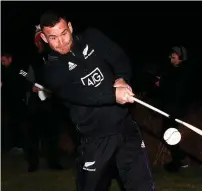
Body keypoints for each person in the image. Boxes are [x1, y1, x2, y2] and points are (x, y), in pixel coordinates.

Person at [39, 11, 154, 191]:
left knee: (142, 186)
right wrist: (113, 94)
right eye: (53, 38)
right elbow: (82, 93)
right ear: (45, 39)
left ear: (69, 27)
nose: (61, 42)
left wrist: (122, 78)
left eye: (64, 34)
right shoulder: (52, 71)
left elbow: (119, 58)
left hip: (126, 128)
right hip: (95, 139)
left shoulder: (92, 37)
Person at [22, 25, 64, 172]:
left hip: (51, 102)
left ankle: (54, 162)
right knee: (32, 134)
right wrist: (31, 87)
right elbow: (23, 76)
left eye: (42, 38)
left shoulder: (55, 57)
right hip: (34, 103)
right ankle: (33, 164)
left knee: (52, 134)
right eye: (38, 39)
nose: (40, 42)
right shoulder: (31, 59)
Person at [155, 45, 193, 172]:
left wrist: (163, 83)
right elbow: (168, 87)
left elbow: (177, 90)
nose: (171, 56)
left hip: (174, 109)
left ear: (181, 57)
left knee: (169, 135)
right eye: (172, 54)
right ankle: (179, 160)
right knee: (168, 135)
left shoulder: (183, 71)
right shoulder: (173, 70)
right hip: (170, 108)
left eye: (174, 54)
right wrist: (161, 82)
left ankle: (180, 159)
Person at [1, 52, 27, 153]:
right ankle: (15, 145)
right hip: (9, 102)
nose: (2, 63)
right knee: (12, 124)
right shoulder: (4, 71)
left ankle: (22, 145)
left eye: (4, 61)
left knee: (22, 124)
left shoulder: (18, 69)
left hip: (20, 101)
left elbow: (27, 77)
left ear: (10, 59)